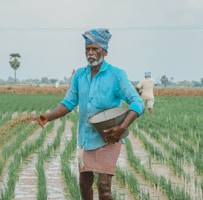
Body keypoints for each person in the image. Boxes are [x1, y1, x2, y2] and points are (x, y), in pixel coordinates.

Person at [37, 28, 144, 200]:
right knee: (84, 185)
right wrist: (48, 117)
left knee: (103, 186)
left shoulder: (116, 75)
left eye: (95, 49)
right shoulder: (80, 74)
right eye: (87, 49)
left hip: (109, 136)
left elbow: (138, 102)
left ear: (105, 51)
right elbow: (69, 102)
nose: (90, 53)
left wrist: (122, 126)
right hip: (86, 138)